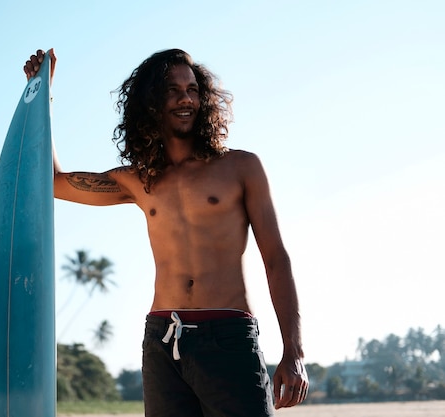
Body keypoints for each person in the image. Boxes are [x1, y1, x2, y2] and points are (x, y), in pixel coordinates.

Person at [24, 48, 308, 416]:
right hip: (162, 339)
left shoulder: (240, 167)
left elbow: (276, 259)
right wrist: (41, 96)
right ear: (151, 103)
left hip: (228, 336)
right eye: (172, 90)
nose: (185, 97)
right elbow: (54, 183)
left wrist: (294, 351)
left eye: (192, 89)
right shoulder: (141, 179)